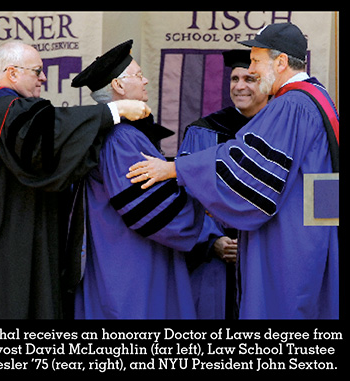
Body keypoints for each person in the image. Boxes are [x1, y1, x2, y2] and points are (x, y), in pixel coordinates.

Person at [127, 23, 339, 319]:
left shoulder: (290, 106)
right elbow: (326, 185)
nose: (251, 70)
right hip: (312, 231)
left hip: (288, 242)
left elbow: (246, 169)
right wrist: (320, 232)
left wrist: (176, 169)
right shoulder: (321, 99)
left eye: (255, 60)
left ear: (280, 63)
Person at [0, 41, 150, 319]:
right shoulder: (6, 107)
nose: (43, 77)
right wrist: (113, 111)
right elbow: (42, 141)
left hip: (5, 242)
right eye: (37, 70)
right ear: (13, 73)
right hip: (9, 250)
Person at [70, 40, 213, 319]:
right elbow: (151, 211)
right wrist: (202, 201)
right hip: (129, 266)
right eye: (138, 75)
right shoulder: (121, 138)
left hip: (126, 257)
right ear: (119, 86)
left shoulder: (121, 133)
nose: (146, 80)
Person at [178, 49, 269, 319]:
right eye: (234, 78)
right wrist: (212, 240)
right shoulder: (203, 131)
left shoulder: (281, 131)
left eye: (249, 79)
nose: (239, 86)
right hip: (215, 262)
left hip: (266, 256)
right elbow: (186, 195)